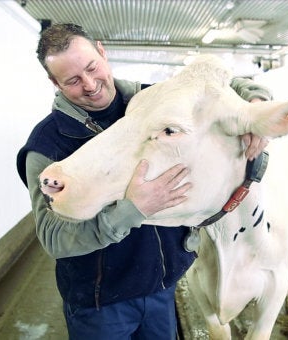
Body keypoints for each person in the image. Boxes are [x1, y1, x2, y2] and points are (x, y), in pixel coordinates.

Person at [16, 23, 272, 340]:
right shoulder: (46, 144)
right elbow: (54, 237)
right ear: (54, 83)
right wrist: (133, 208)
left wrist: (256, 105)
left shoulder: (151, 99)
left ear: (101, 51)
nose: (90, 85)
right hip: (100, 303)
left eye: (92, 67)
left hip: (162, 286)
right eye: (72, 81)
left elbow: (219, 84)